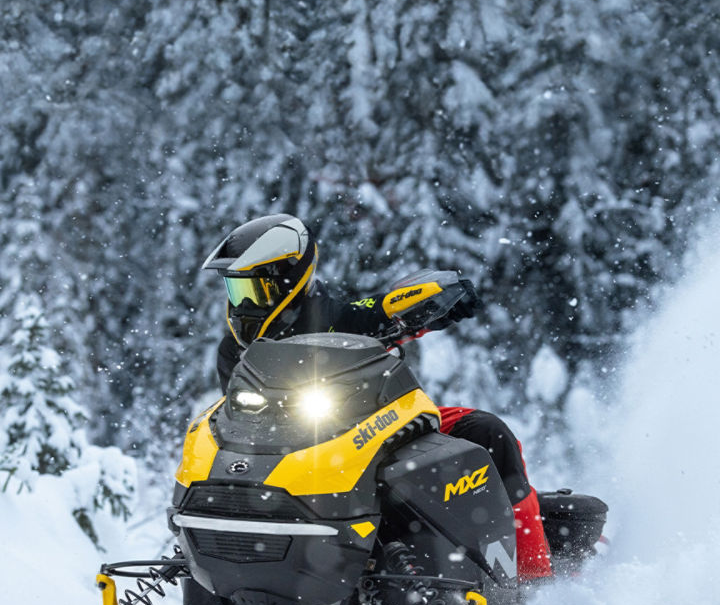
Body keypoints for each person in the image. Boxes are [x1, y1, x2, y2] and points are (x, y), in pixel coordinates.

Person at [202, 212, 553, 580]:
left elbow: (381, 310)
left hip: (367, 429)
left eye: (253, 290)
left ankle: (533, 578)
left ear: (288, 279)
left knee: (487, 432)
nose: (243, 303)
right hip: (281, 453)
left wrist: (438, 302)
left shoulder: (335, 318)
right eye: (237, 291)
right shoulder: (234, 351)